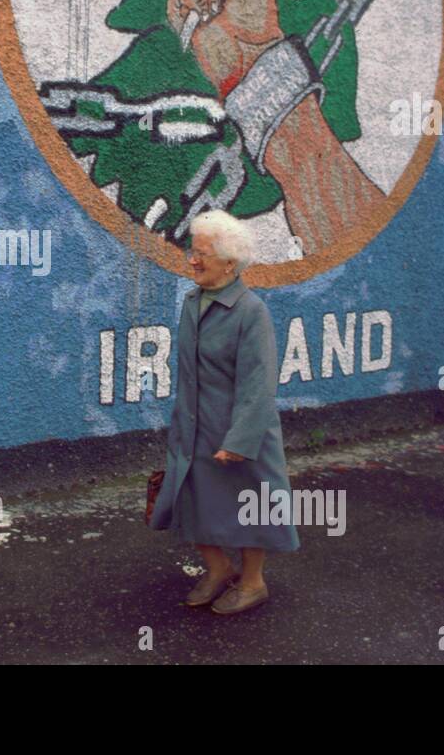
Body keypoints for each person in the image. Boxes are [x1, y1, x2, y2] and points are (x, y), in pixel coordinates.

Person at [148, 209, 299, 615]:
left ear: (230, 263)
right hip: (194, 426)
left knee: (251, 505)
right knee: (191, 498)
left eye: (202, 254)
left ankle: (252, 583)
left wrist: (240, 441)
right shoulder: (192, 302)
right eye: (192, 251)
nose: (192, 261)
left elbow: (260, 383)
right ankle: (218, 569)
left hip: (240, 429)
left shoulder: (252, 312)